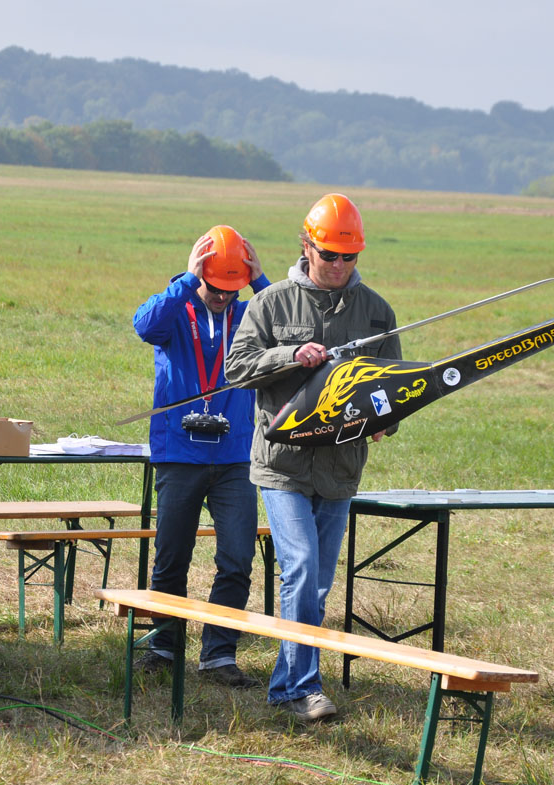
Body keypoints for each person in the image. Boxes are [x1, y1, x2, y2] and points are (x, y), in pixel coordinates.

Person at [225, 194, 400, 721]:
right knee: (300, 568)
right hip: (281, 464)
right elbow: (237, 367)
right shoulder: (270, 303)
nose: (339, 265)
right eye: (329, 255)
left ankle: (286, 685)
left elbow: (392, 390)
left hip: (340, 469)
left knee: (317, 583)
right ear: (306, 246)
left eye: (349, 256)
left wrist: (386, 419)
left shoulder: (377, 311)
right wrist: (289, 356)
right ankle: (303, 688)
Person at [132, 226, 271, 688]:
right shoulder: (176, 310)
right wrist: (188, 281)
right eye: (215, 287)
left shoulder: (248, 313)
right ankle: (163, 646)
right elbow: (143, 325)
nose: (222, 297)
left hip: (235, 457)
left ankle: (219, 654)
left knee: (237, 557)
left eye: (232, 289)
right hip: (179, 454)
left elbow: (288, 327)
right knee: (172, 556)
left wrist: (260, 281)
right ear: (199, 276)